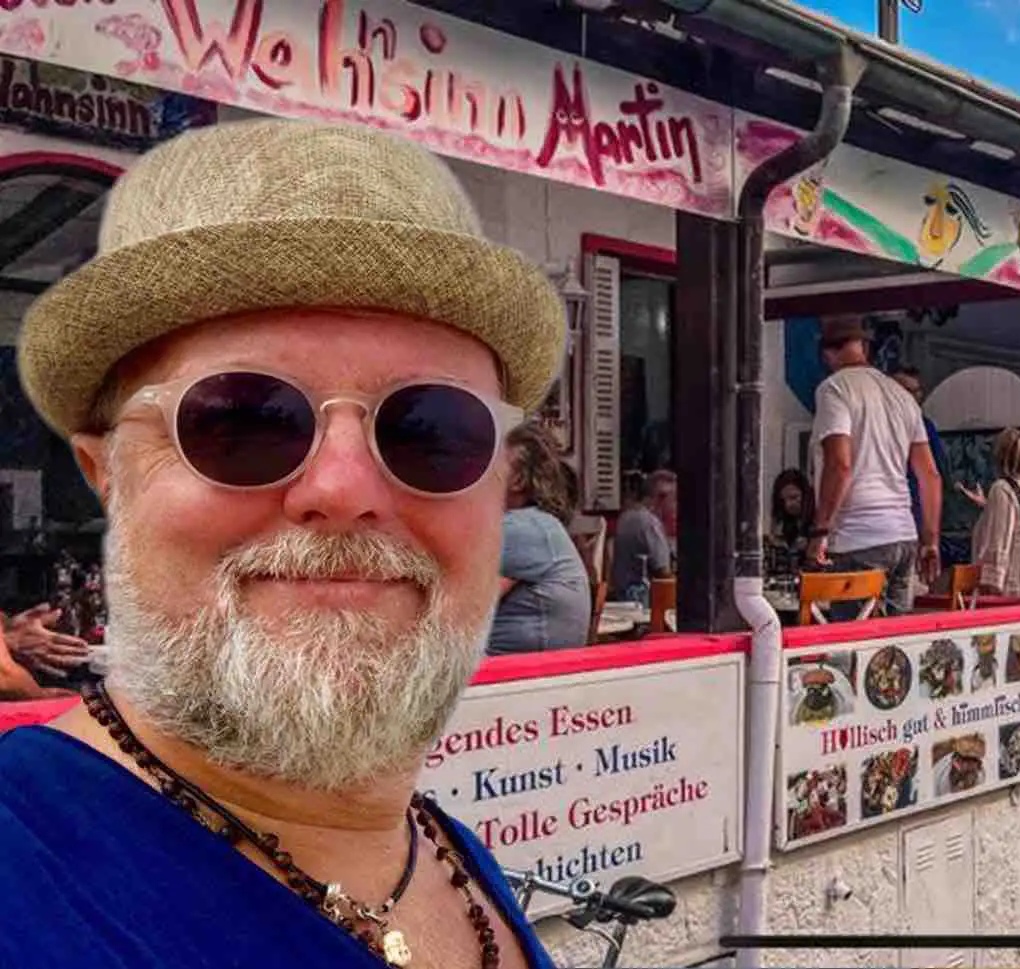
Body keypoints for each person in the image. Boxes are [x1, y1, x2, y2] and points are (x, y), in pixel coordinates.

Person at [0, 118, 567, 968]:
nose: (342, 490)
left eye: (429, 428)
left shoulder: (442, 855)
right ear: (105, 470)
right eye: (241, 420)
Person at [807, 317, 943, 614]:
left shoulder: (834, 389)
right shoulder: (902, 397)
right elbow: (929, 475)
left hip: (857, 537)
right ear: (865, 347)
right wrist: (930, 541)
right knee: (894, 647)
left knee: (851, 646)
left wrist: (820, 531)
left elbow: (840, 464)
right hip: (903, 536)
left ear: (827, 353)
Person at [489, 424, 592, 655]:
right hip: (537, 673)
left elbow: (456, 607)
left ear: (518, 481)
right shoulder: (541, 526)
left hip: (506, 679)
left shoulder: (521, 528)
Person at [965, 428, 1020, 598]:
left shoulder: (1002, 489)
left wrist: (991, 585)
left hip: (1012, 584)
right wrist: (988, 506)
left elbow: (999, 541)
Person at [891, 366, 947, 538]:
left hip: (917, 516)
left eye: (916, 391)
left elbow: (938, 471)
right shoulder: (881, 426)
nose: (913, 397)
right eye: (907, 391)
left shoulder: (925, 427)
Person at [610, 470, 677, 601]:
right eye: (674, 499)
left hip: (623, 597)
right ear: (661, 497)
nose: (676, 505)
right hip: (643, 600)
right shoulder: (650, 524)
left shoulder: (627, 516)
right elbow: (663, 574)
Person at [769, 468, 816, 574]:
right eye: (783, 500)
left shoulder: (817, 519)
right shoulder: (786, 523)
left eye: (794, 497)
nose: (788, 504)